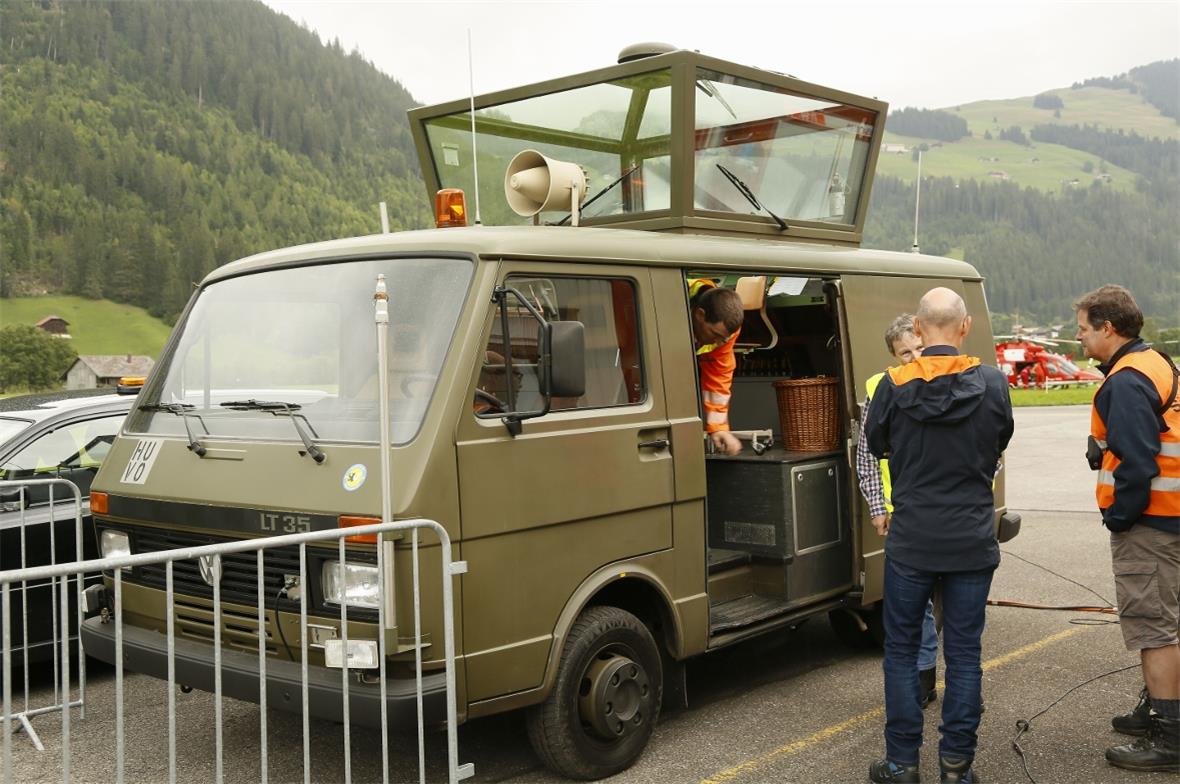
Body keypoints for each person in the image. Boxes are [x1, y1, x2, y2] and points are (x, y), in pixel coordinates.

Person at [865, 287, 1013, 784]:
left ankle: (902, 764)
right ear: (965, 326)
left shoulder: (891, 384)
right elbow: (1000, 439)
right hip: (971, 539)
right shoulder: (992, 383)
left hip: (912, 541)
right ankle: (956, 767)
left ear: (921, 331)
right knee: (965, 654)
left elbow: (876, 443)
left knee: (902, 652)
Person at [1073, 285, 1179, 773]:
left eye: (1083, 328)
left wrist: (1120, 515)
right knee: (1168, 621)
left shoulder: (1127, 380)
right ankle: (1157, 708)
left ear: (1108, 328)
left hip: (1150, 521)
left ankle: (1171, 738)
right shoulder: (1156, 361)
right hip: (1171, 514)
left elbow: (1137, 461)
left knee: (1153, 628)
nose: (1079, 337)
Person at [856, 314, 942, 709]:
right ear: (893, 356)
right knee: (914, 603)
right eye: (904, 353)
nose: (913, 357)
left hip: (953, 512)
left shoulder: (958, 379)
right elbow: (866, 455)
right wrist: (877, 506)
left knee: (955, 602)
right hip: (903, 514)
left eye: (918, 348)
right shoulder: (882, 388)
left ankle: (959, 684)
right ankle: (924, 677)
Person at [688, 279, 745, 456]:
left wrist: (719, 428)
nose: (718, 343)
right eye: (715, 334)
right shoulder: (667, 299)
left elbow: (718, 378)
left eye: (724, 339)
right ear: (699, 315)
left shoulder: (727, 330)